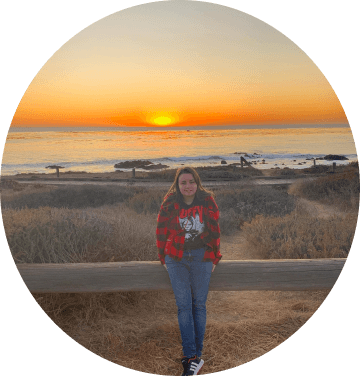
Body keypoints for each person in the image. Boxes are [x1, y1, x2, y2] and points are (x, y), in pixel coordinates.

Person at [156, 166, 221, 376]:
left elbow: (214, 229)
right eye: (183, 182)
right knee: (184, 306)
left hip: (202, 256)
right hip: (176, 257)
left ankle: (194, 357)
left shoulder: (207, 200)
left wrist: (215, 256)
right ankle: (191, 356)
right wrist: (162, 257)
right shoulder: (170, 202)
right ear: (177, 184)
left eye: (191, 182)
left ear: (197, 182)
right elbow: (161, 229)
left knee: (199, 306)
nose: (188, 186)